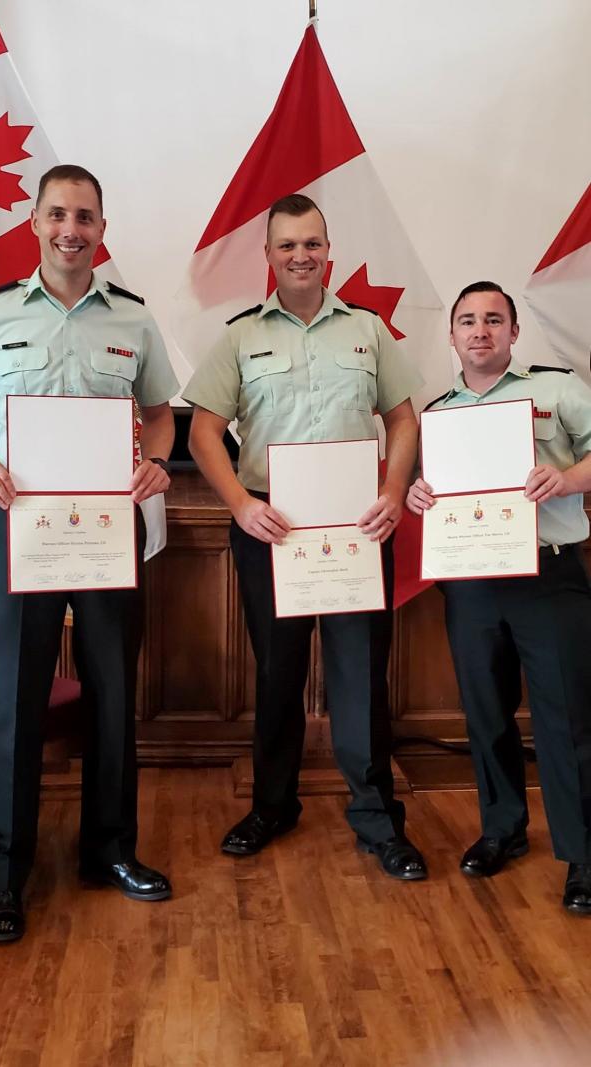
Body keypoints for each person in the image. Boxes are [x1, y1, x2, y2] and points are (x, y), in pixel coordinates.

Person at [183, 193, 427, 881]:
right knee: (278, 673)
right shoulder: (238, 336)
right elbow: (203, 429)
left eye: (311, 243)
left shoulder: (369, 331)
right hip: (272, 529)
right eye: (287, 244)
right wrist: (236, 503)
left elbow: (403, 419)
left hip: (357, 528)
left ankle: (379, 820)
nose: (300, 255)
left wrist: (390, 491)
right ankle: (272, 804)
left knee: (360, 679)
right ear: (267, 255)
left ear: (328, 251)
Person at [0, 165, 179, 942]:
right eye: (59, 214)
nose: (73, 228)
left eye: (87, 216)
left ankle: (110, 850)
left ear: (103, 230)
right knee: (12, 698)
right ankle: (4, 875)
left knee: (110, 688)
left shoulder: (133, 322)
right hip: (16, 531)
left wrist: (156, 461)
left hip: (106, 531)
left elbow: (161, 413)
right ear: (35, 222)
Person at [407, 280, 591, 914]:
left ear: (514, 334)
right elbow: (429, 489)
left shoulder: (558, 389)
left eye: (493, 320)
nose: (479, 331)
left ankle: (584, 855)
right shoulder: (438, 412)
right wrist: (416, 495)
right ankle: (502, 830)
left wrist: (566, 477)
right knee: (485, 714)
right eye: (467, 321)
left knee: (567, 720)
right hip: (474, 580)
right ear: (452, 336)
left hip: (549, 576)